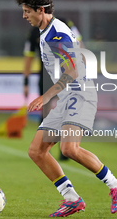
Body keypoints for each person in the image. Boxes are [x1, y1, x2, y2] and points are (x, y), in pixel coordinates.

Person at [16, 0, 117, 217]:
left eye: (27, 11)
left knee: (69, 148)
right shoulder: (45, 31)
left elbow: (75, 69)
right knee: (36, 150)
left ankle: (116, 186)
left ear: (41, 9)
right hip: (67, 95)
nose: (24, 16)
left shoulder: (57, 34)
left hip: (81, 93)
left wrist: (46, 96)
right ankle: (72, 198)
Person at [23, 19, 83, 161]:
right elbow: (28, 57)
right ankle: (44, 148)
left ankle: (67, 149)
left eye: (28, 10)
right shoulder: (33, 32)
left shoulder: (66, 24)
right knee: (46, 113)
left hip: (67, 72)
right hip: (46, 75)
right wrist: (25, 81)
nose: (26, 15)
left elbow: (79, 45)